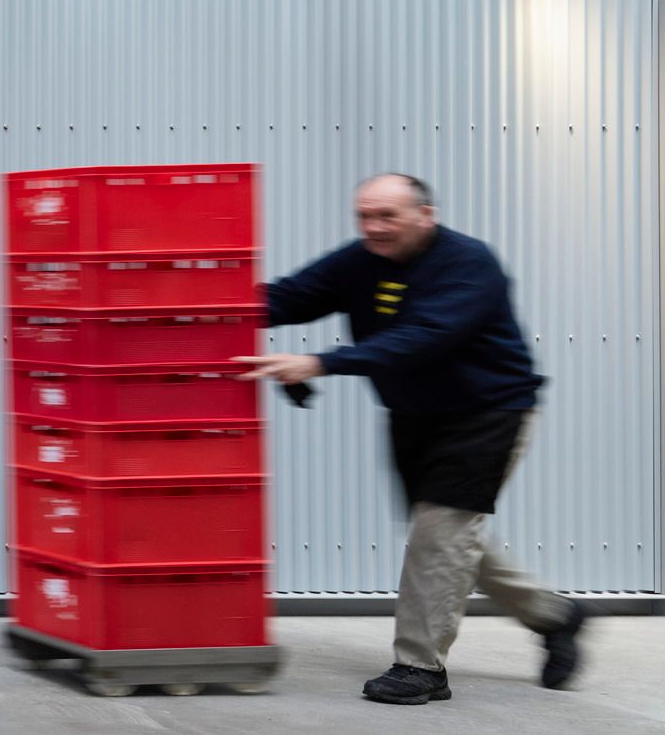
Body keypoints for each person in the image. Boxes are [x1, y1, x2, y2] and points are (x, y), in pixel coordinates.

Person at [239, 173, 590, 707]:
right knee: (447, 538)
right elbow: (290, 297)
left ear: (425, 215)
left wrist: (318, 362)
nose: (373, 227)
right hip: (413, 414)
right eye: (365, 216)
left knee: (441, 535)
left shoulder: (468, 263)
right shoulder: (361, 261)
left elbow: (423, 338)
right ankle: (554, 614)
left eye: (387, 216)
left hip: (486, 413)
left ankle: (419, 666)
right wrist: (204, 303)